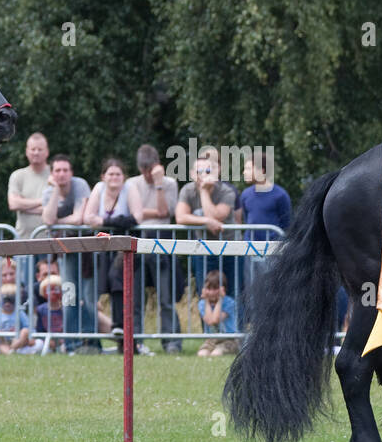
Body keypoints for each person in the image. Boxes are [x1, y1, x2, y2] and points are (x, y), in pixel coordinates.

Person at [125, 144, 184, 353]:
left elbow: (164, 211)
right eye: (144, 171)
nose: (148, 175)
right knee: (136, 298)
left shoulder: (169, 183)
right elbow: (135, 214)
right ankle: (136, 342)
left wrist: (159, 185)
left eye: (150, 170)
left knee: (166, 297)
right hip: (138, 241)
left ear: (157, 166)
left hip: (161, 241)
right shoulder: (131, 183)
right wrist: (147, 213)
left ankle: (172, 342)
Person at [84, 157, 145, 352]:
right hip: (103, 247)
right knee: (102, 287)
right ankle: (100, 336)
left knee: (118, 279)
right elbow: (88, 218)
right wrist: (117, 221)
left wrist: (105, 220)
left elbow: (136, 217)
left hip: (126, 245)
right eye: (110, 173)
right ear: (103, 176)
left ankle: (121, 327)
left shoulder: (130, 188)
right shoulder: (98, 189)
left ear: (123, 176)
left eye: (118, 174)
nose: (114, 177)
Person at [41, 154, 95, 351]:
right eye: (57, 171)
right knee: (69, 296)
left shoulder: (80, 184)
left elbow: (80, 218)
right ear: (52, 174)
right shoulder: (49, 192)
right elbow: (48, 219)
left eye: (65, 170)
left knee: (89, 298)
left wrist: (58, 221)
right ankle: (72, 343)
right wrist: (55, 189)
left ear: (71, 173)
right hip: (65, 252)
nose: (61, 174)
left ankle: (93, 342)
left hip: (88, 250)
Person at [176, 153, 238, 310]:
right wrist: (205, 221)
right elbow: (181, 217)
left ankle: (232, 333)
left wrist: (204, 192)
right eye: (198, 171)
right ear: (191, 174)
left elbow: (217, 217)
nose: (203, 175)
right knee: (205, 294)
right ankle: (208, 334)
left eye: (208, 171)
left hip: (229, 249)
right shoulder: (187, 190)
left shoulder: (226, 191)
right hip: (203, 249)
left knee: (231, 295)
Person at [236, 151, 291, 301]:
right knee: (252, 292)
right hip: (250, 250)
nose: (244, 172)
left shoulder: (280, 195)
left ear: (262, 170)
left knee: (272, 292)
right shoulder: (246, 194)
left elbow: (286, 225)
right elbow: (247, 220)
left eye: (248, 168)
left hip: (272, 252)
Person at [8, 132, 51, 305]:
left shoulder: (54, 174)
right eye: (32, 149)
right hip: (24, 243)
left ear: (47, 152)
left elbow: (56, 208)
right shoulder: (18, 175)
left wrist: (26, 205)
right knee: (25, 290)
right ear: (26, 151)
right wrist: (42, 203)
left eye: (40, 149)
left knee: (48, 288)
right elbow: (13, 204)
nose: (36, 153)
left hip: (49, 244)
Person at [0, 284, 35, 354]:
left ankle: (13, 348)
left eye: (11, 298)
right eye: (4, 299)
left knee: (26, 332)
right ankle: (10, 353)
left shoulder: (20, 313)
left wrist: (27, 336)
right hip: (0, 341)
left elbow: (29, 327)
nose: (7, 302)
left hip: (16, 340)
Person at [197, 270, 238, 357]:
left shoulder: (229, 302)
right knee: (202, 354)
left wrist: (220, 300)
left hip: (229, 340)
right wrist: (207, 301)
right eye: (208, 289)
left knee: (216, 353)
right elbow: (209, 321)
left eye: (215, 289)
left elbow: (215, 320)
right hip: (212, 340)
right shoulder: (202, 304)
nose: (211, 292)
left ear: (222, 289)